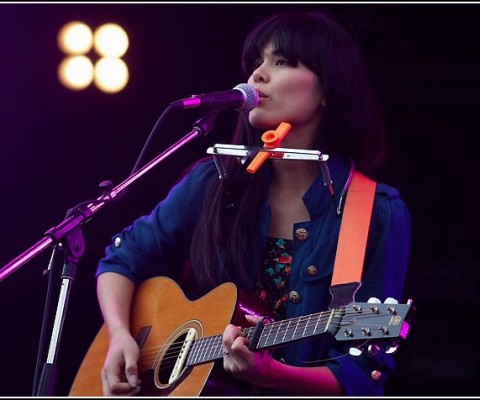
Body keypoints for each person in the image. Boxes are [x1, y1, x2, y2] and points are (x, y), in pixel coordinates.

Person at [95, 9, 411, 397]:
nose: (257, 75)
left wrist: (271, 376)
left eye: (281, 62)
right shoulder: (214, 183)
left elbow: (363, 378)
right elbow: (120, 260)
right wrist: (120, 336)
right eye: (256, 63)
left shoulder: (374, 211)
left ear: (330, 87)